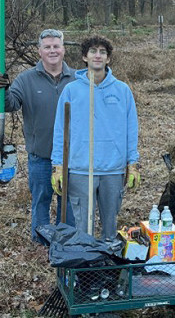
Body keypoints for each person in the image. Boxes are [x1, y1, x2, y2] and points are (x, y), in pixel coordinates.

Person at [51, 35, 140, 241]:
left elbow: (131, 129)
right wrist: (58, 166)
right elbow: (60, 130)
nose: (97, 56)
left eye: (102, 52)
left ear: (108, 58)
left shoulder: (122, 91)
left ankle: (108, 269)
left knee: (110, 227)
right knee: (83, 227)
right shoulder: (71, 90)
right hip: (81, 169)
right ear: (84, 57)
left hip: (113, 169)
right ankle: (85, 271)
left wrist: (132, 162)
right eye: (93, 51)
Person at [0, 29, 76, 244]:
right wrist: (3, 91)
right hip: (40, 156)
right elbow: (11, 105)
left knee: (68, 203)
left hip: (71, 157)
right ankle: (41, 245)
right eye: (47, 47)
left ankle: (68, 245)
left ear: (63, 49)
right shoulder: (26, 79)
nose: (52, 50)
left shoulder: (77, 78)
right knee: (41, 201)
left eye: (56, 46)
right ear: (39, 51)